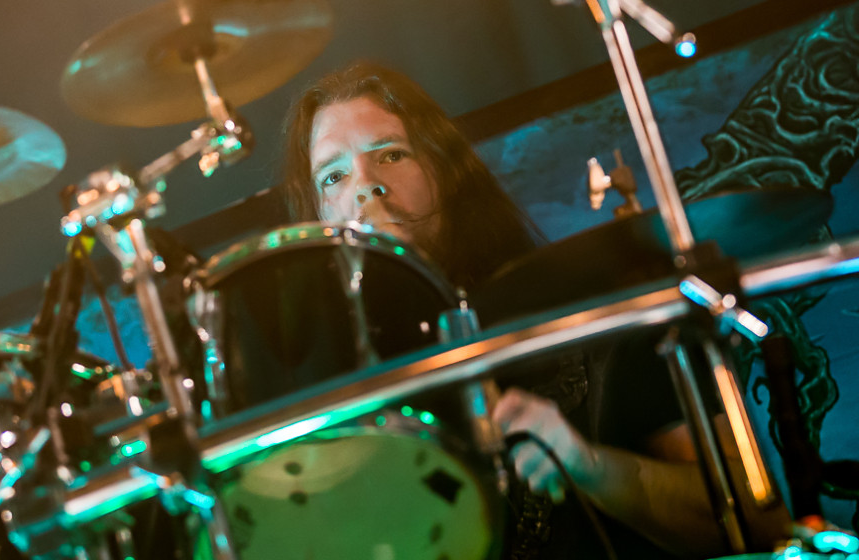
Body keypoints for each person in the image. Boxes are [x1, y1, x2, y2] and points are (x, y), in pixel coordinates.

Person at [279, 61, 732, 558]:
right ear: (317, 218)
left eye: (391, 154)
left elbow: (741, 517)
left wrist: (588, 466)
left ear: (444, 171)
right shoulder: (330, 399)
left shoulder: (592, 310)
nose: (365, 185)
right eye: (334, 176)